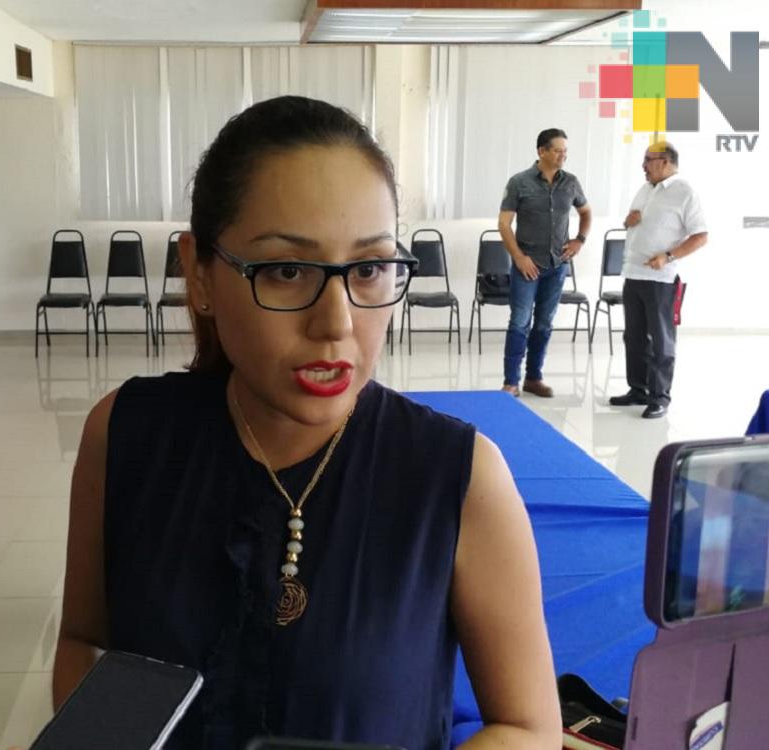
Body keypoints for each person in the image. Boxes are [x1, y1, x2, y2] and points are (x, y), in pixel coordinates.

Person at [54, 97, 560, 749]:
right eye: (287, 271)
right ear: (200, 273)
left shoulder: (456, 476)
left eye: (369, 269)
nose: (337, 323)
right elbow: (85, 643)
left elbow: (527, 726)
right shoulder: (127, 434)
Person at [609, 141, 707, 419]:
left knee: (661, 340)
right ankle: (638, 389)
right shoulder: (645, 189)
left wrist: (668, 256)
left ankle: (660, 397)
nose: (643, 166)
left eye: (648, 160)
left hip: (661, 280)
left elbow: (700, 236)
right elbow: (635, 225)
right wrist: (628, 221)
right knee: (634, 337)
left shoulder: (684, 192)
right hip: (633, 275)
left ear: (665, 161)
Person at [498, 128, 592, 398]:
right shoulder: (519, 182)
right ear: (541, 151)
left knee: (544, 323)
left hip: (557, 266)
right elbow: (504, 224)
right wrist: (519, 258)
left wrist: (579, 240)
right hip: (526, 266)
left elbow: (586, 212)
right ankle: (511, 382)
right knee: (519, 322)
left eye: (565, 151)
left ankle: (534, 378)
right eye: (558, 150)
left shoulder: (571, 183)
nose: (563, 155)